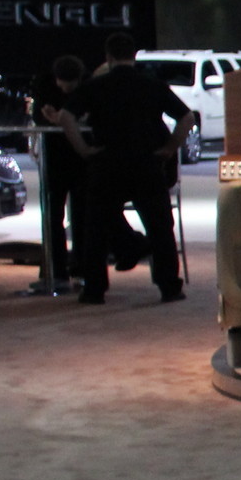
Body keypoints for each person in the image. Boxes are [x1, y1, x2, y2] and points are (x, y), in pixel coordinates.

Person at [66, 31, 192, 303]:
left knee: (96, 228)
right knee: (160, 226)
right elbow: (186, 117)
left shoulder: (96, 86)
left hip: (107, 162)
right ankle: (169, 286)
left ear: (108, 57)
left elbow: (66, 117)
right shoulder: (152, 85)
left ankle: (95, 289)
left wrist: (84, 149)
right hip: (146, 163)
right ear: (134, 56)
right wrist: (170, 148)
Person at [29, 55, 93, 284]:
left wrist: (58, 119)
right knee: (53, 214)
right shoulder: (45, 86)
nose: (65, 88)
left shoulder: (87, 87)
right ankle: (56, 267)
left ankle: (82, 265)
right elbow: (40, 115)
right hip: (56, 156)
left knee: (81, 213)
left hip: (78, 158)